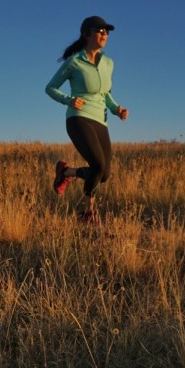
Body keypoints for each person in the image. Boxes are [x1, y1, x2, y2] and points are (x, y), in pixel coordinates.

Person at [45, 15, 129, 224]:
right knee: (98, 165)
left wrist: (116, 108)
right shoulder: (75, 61)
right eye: (99, 31)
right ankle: (87, 213)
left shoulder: (108, 63)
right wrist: (69, 100)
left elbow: (105, 93)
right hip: (79, 118)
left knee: (104, 174)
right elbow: (50, 88)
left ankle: (66, 172)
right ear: (86, 34)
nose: (104, 34)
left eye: (106, 32)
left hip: (101, 119)